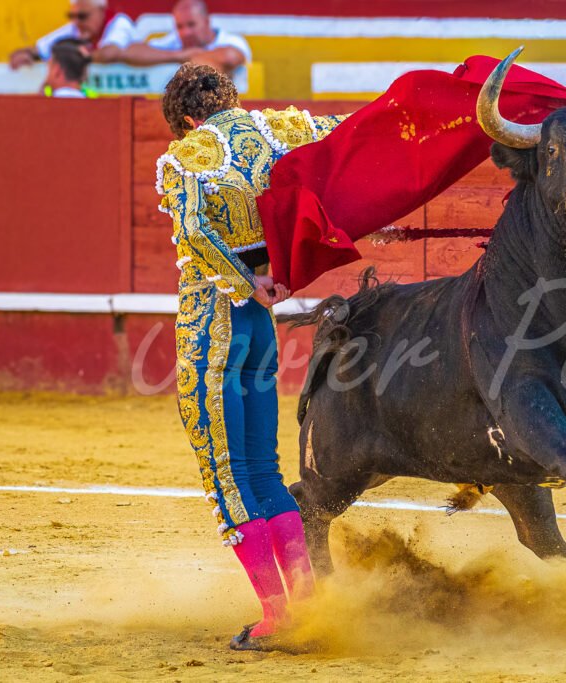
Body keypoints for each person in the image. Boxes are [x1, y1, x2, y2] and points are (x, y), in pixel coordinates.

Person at [156, 63, 346, 651]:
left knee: (227, 476)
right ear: (228, 99)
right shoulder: (278, 131)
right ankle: (309, 607)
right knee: (263, 468)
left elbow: (191, 230)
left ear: (187, 118)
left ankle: (276, 617)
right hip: (260, 331)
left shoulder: (188, 154)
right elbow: (346, 134)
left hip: (213, 322)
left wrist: (243, 280)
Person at [107, 0, 250, 75]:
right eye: (180, 26)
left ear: (207, 21)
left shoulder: (231, 40)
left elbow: (231, 57)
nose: (186, 32)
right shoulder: (175, 42)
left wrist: (188, 58)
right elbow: (131, 51)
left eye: (192, 24)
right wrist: (179, 55)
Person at [9, 0, 137, 69]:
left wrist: (72, 57)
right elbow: (40, 49)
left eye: (82, 16)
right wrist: (26, 54)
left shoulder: (119, 22)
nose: (76, 21)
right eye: (72, 16)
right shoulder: (77, 27)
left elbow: (110, 53)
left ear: (101, 11)